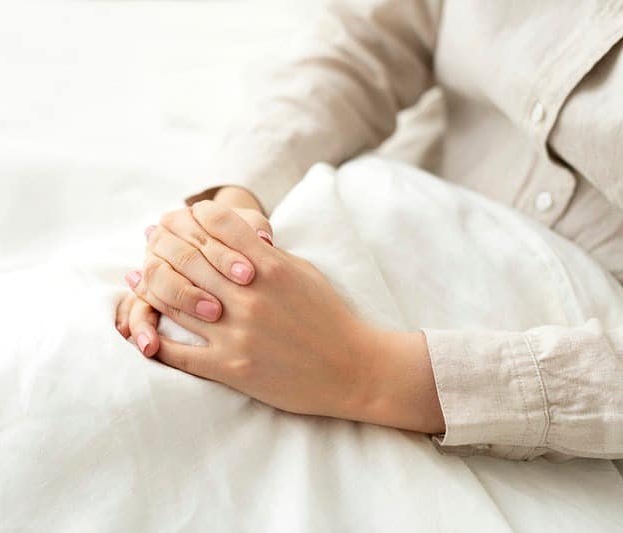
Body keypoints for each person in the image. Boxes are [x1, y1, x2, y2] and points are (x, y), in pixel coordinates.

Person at [115, 0, 623, 461]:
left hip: (524, 396)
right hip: (379, 217)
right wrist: (230, 216)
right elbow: (367, 37)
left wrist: (369, 372)